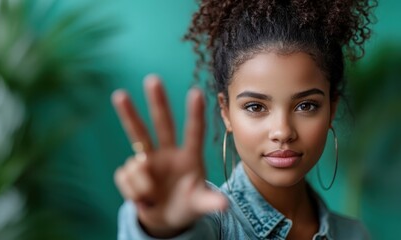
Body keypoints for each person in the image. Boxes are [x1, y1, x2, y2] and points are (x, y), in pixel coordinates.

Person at [112, 0, 377, 239]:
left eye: (306, 105)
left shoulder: (354, 234)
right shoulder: (211, 222)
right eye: (255, 106)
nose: (283, 131)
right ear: (226, 112)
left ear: (331, 108)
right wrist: (161, 227)